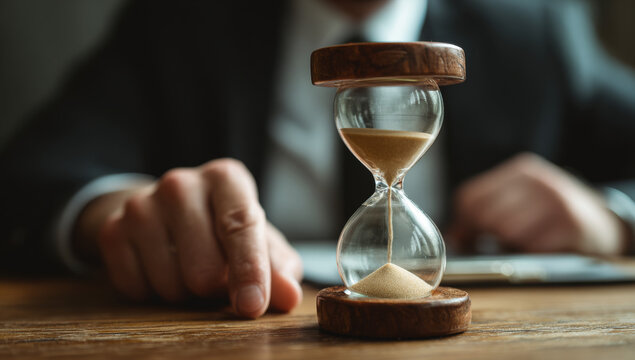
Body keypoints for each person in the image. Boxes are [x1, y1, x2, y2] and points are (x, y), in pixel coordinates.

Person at [1, 0, 634, 319]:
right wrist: (115, 211)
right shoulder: (180, 23)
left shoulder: (534, 30)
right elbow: (32, 170)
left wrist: (612, 215)